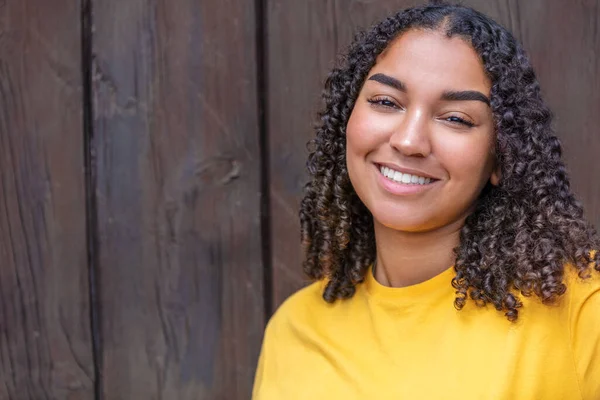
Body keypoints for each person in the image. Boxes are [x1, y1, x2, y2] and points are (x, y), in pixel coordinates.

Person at [252, 2, 600, 399]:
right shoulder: (294, 330)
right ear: (347, 119)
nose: (408, 140)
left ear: (501, 157)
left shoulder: (580, 311)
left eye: (455, 118)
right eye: (386, 102)